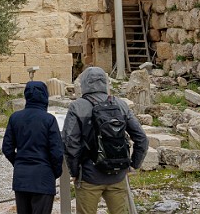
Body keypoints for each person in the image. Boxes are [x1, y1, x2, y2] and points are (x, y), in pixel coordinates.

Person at [63, 66, 149, 214]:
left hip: (89, 176)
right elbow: (141, 138)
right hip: (118, 175)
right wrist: (133, 164)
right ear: (105, 82)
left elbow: (70, 142)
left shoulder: (77, 107)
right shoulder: (120, 104)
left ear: (84, 84)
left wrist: (75, 171)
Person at [1, 81, 64, 214]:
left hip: (21, 177)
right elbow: (57, 151)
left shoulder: (15, 118)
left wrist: (18, 162)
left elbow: (7, 148)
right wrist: (55, 172)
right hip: (43, 176)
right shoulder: (49, 119)